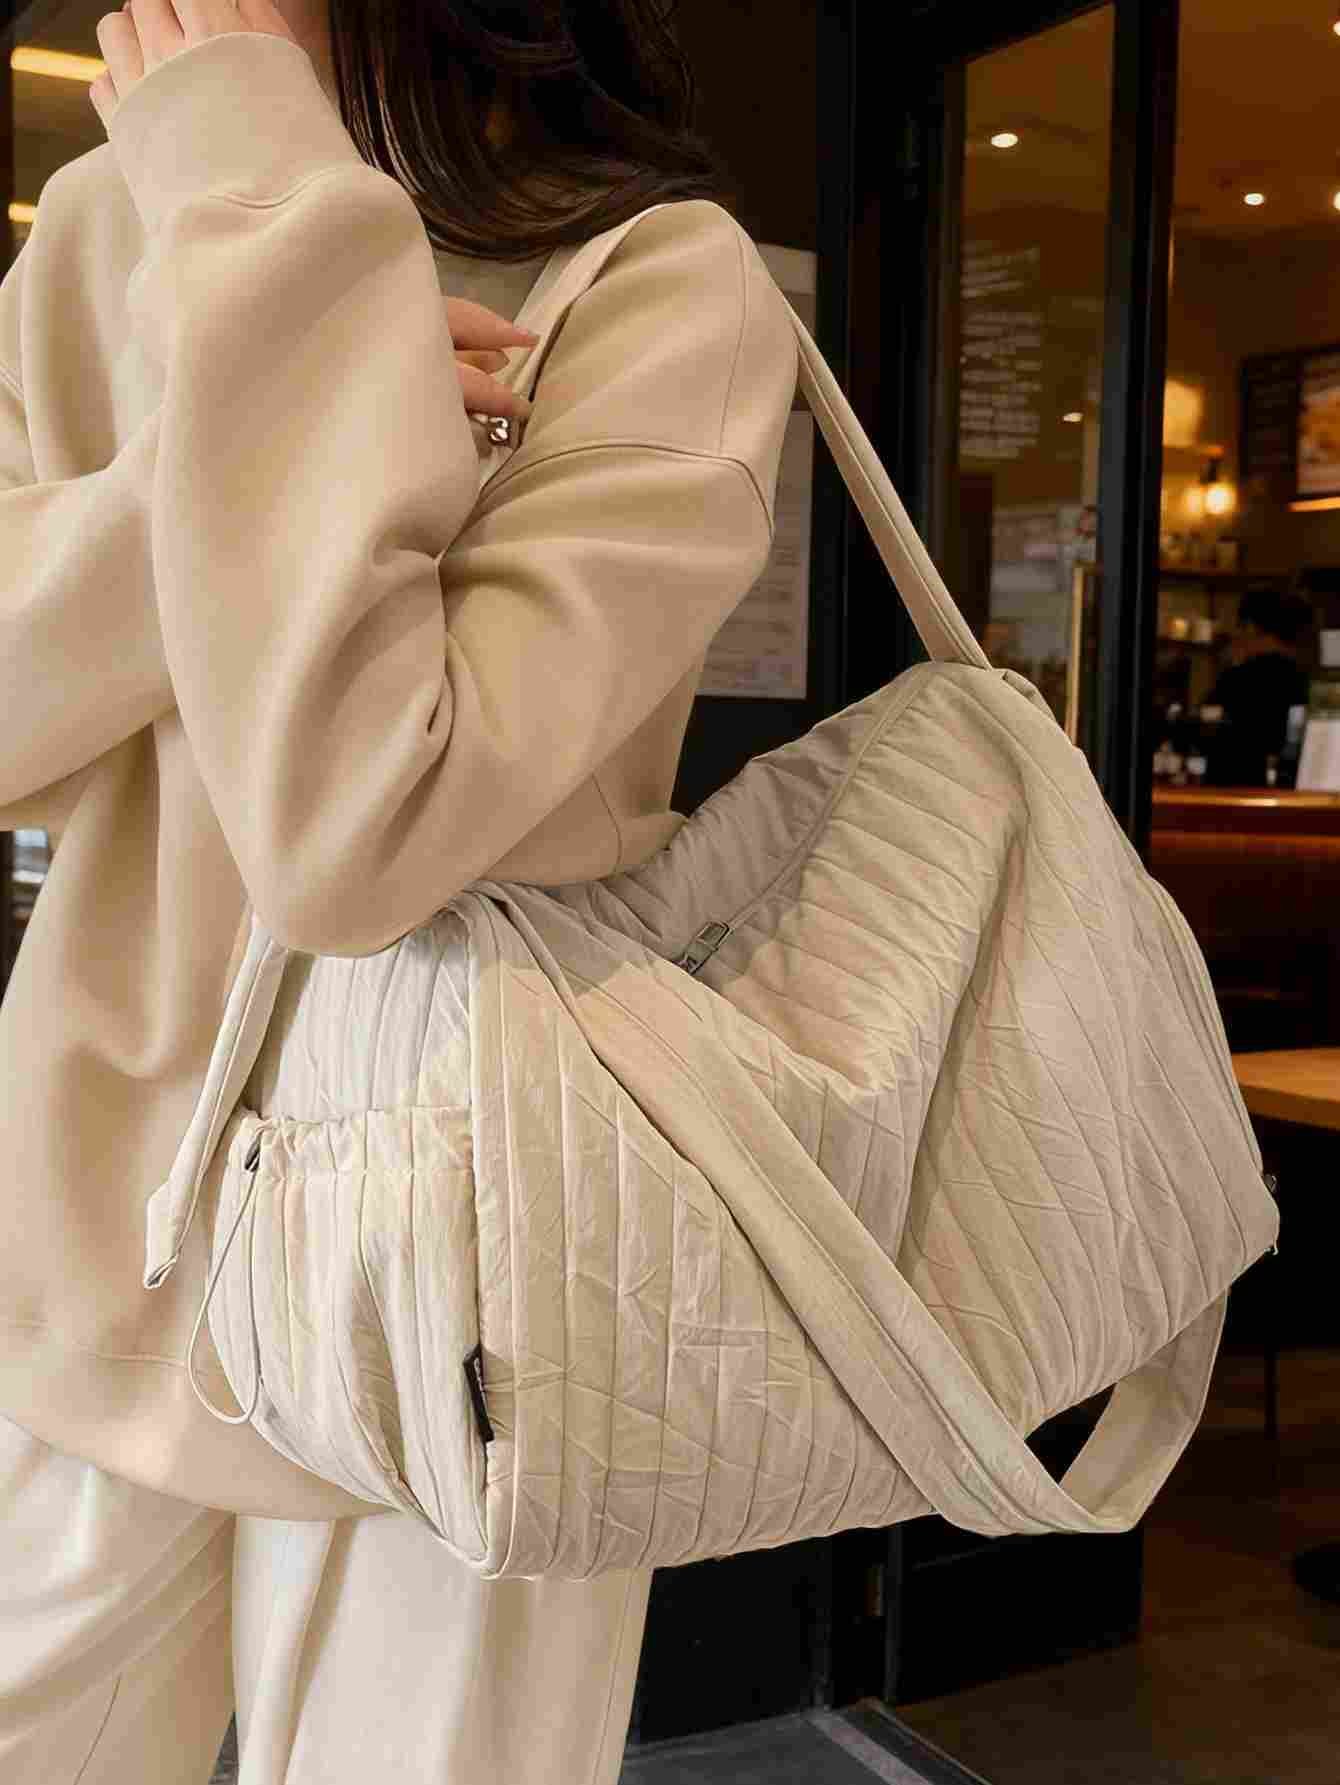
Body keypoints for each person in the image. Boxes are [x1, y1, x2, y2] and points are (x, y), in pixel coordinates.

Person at [0, 0, 798, 1779]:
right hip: (95, 1232)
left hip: (468, 1281)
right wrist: (259, 433)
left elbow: (363, 827)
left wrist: (270, 221)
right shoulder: (106, 231)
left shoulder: (659, 282)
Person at [1203, 583, 1313, 787]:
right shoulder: (1304, 678)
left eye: (1240, 627)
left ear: (1251, 627)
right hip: (1289, 787)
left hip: (1233, 787)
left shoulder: (1239, 678)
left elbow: (1208, 727)